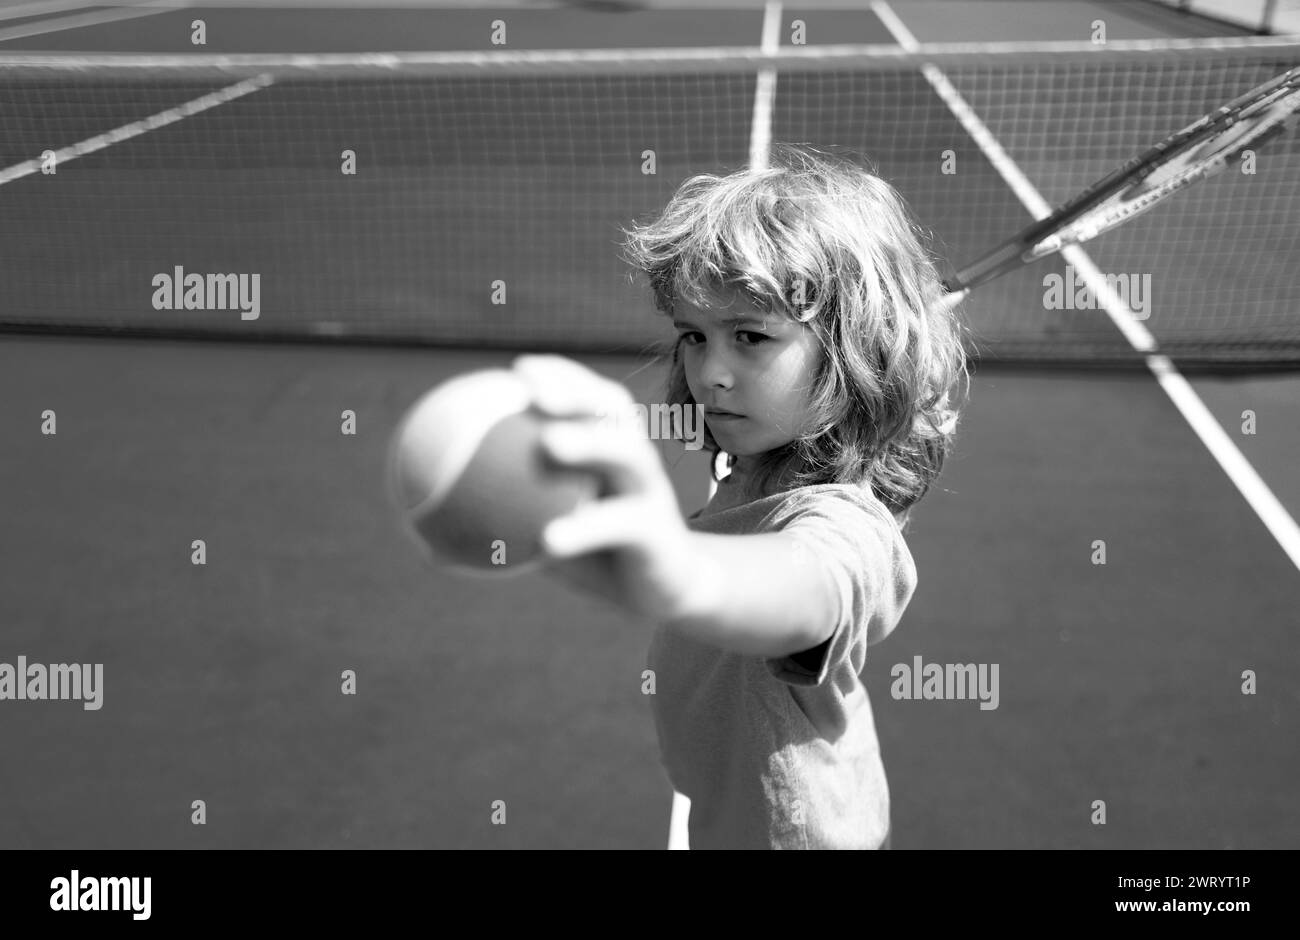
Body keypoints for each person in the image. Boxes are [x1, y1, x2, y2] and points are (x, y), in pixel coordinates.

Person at [512, 143, 969, 849]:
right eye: (694, 335)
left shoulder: (841, 523)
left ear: (851, 358)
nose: (710, 372)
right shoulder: (759, 462)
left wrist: (682, 571)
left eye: (751, 336)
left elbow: (809, 586)